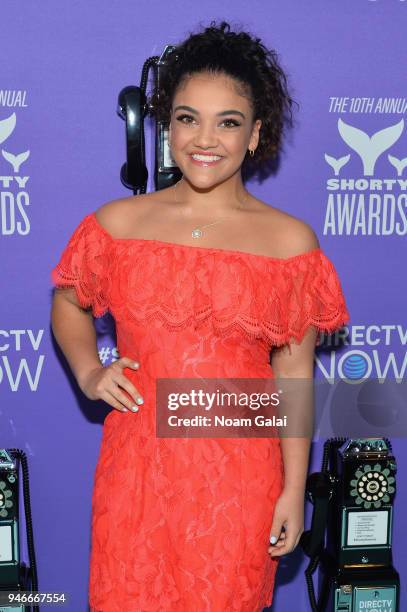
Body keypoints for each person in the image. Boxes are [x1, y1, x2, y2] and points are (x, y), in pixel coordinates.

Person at [50, 21, 350, 612]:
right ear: (166, 126)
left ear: (256, 134)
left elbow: (293, 377)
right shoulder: (117, 224)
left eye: (228, 121)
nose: (204, 139)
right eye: (188, 118)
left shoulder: (289, 242)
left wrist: (293, 489)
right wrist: (90, 372)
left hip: (239, 477)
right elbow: (68, 304)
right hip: (138, 467)